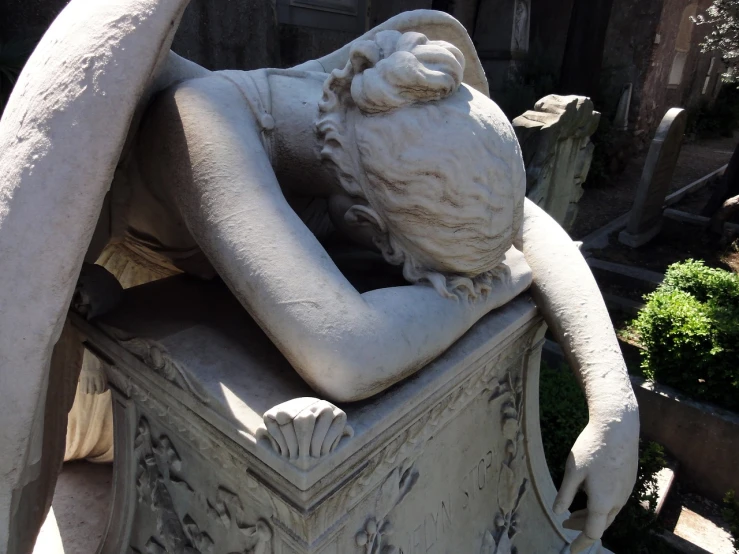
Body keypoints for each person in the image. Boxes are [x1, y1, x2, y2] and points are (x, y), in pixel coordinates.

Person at [0, 3, 637, 553]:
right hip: (94, 363)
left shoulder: (363, 119)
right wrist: (481, 291)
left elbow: (527, 224)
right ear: (360, 218)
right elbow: (346, 353)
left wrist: (613, 404)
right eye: (397, 260)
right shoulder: (199, 121)